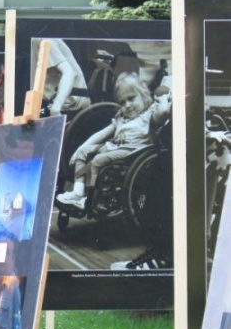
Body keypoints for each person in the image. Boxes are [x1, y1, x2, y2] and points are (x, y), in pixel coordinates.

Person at [56, 74, 171, 210]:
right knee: (82, 152)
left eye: (131, 99)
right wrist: (82, 147)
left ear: (144, 96)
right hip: (116, 148)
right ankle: (78, 193)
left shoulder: (148, 116)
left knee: (98, 160)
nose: (127, 105)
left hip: (135, 151)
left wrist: (164, 99)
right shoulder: (121, 117)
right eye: (122, 102)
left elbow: (164, 112)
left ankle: (90, 199)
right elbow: (102, 134)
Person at [43, 38, 91, 117]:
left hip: (69, 104)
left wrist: (56, 107)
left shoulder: (46, 41)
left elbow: (69, 72)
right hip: (50, 101)